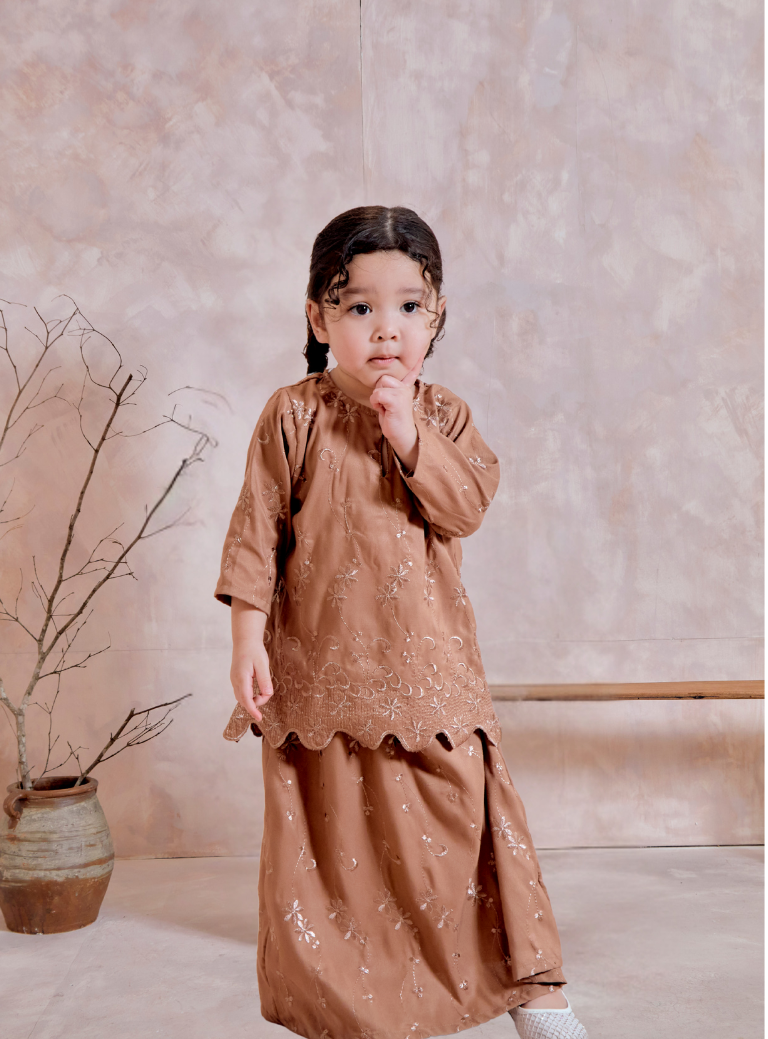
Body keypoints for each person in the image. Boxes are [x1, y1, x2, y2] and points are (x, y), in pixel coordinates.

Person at [214, 205, 589, 1039]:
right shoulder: (293, 415)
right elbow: (255, 534)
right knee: (337, 861)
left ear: (437, 315)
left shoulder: (444, 415)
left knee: (469, 828)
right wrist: (245, 639)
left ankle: (532, 989)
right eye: (359, 306)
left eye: (409, 306)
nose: (387, 327)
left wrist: (408, 431)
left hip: (428, 671)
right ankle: (360, 1015)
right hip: (320, 674)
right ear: (319, 319)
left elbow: (466, 506)